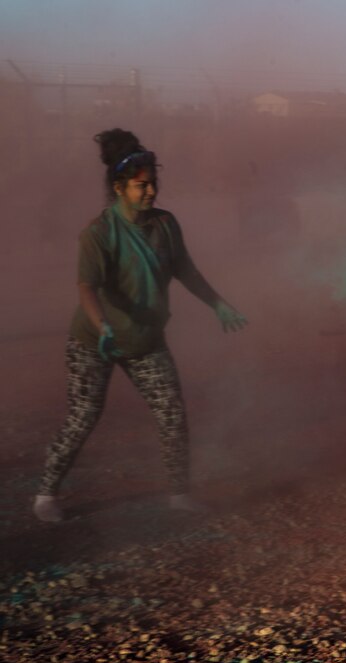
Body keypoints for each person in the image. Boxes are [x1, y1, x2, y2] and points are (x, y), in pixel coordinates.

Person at [34, 129, 247, 523]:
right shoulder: (99, 234)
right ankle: (46, 494)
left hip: (146, 340)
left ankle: (179, 495)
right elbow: (87, 289)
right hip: (93, 342)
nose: (150, 192)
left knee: (171, 413)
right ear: (118, 188)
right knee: (83, 416)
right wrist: (102, 327)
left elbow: (185, 270)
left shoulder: (165, 224)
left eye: (154, 184)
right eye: (141, 185)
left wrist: (217, 304)